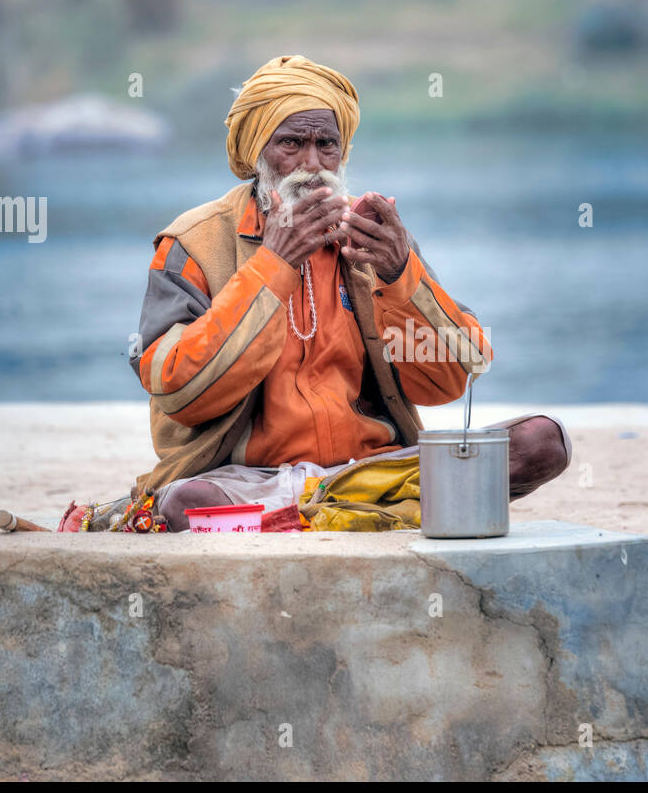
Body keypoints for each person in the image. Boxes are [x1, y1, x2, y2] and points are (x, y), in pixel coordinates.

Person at [128, 54, 570, 531]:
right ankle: (364, 518)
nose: (312, 164)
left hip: (370, 471)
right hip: (247, 478)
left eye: (326, 145)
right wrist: (273, 266)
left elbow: (457, 372)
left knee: (542, 442)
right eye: (292, 144)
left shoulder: (372, 237)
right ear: (257, 149)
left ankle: (320, 516)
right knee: (189, 503)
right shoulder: (194, 242)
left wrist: (401, 274)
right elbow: (179, 390)